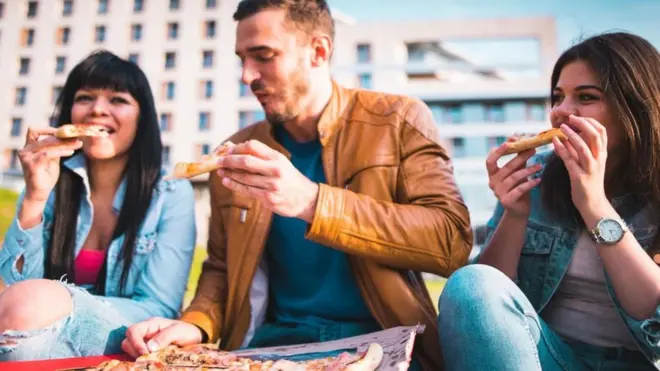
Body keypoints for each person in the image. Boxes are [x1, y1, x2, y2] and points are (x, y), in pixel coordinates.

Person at [121, 0, 473, 369]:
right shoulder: (236, 151)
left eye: (263, 56)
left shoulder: (399, 119)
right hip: (269, 350)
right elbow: (222, 269)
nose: (246, 76)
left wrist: (312, 202)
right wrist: (195, 324)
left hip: (384, 347)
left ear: (319, 51)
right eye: (242, 58)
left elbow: (451, 242)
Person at [437, 32, 660, 371]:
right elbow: (484, 309)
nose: (560, 112)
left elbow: (651, 311)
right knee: (470, 282)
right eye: (557, 98)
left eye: (585, 97)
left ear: (634, 107)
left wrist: (594, 205)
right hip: (544, 357)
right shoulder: (537, 175)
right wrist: (514, 214)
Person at [0, 50, 196, 361]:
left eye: (118, 100)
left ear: (142, 117)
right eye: (85, 98)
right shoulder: (49, 178)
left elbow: (159, 305)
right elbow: (14, 298)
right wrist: (36, 196)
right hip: (32, 333)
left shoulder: (171, 193)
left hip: (126, 339)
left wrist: (64, 305)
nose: (97, 110)